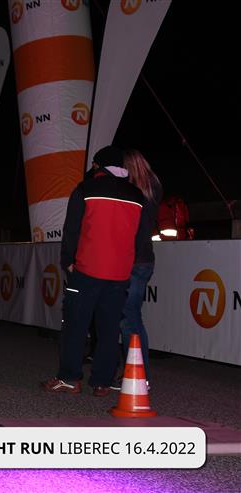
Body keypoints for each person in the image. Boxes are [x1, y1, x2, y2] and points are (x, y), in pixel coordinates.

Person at [41, 145, 145, 397]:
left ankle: (69, 378)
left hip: (87, 269)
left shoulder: (85, 189)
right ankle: (102, 382)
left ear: (98, 166)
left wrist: (68, 260)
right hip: (119, 273)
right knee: (109, 328)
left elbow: (72, 229)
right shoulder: (137, 195)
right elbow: (140, 237)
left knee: (76, 325)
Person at [114, 149, 163, 390]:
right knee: (130, 317)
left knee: (129, 319)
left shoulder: (132, 192)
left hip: (132, 261)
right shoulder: (153, 187)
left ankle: (139, 375)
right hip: (145, 260)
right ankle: (136, 373)